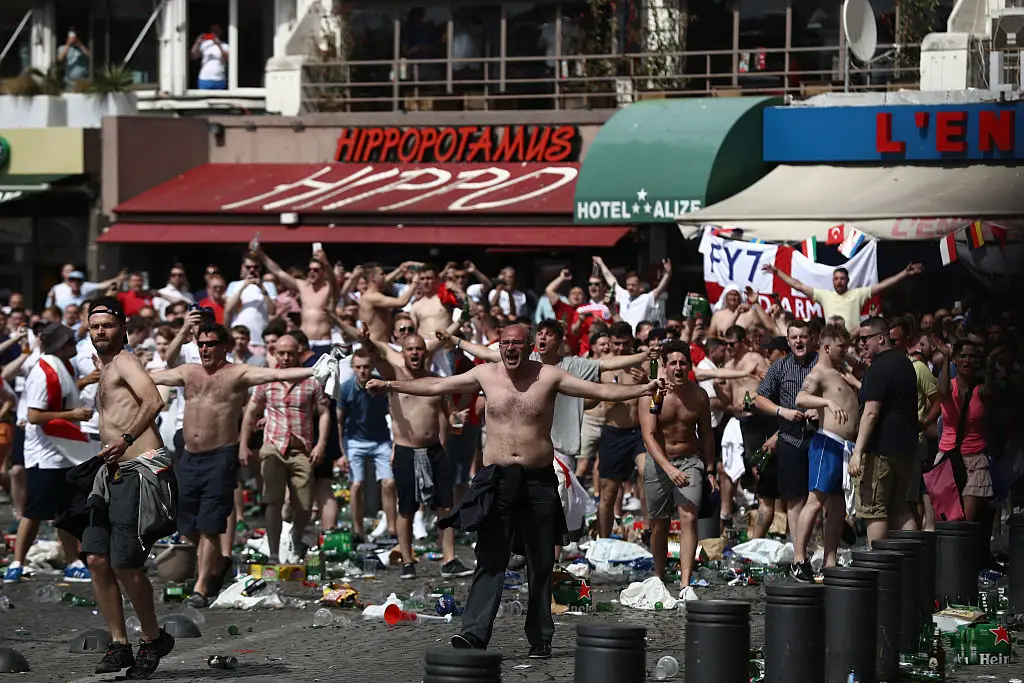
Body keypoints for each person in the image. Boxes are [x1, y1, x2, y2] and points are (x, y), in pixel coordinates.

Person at [364, 324, 662, 657]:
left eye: (517, 343)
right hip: (497, 479)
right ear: (499, 345)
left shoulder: (548, 376)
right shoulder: (485, 374)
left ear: (530, 346)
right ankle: (474, 633)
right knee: (490, 557)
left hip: (537, 479)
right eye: (504, 343)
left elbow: (599, 391)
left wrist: (642, 390)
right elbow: (436, 384)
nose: (510, 349)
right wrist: (390, 384)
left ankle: (540, 638)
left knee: (540, 560)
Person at [153, 324, 318, 606]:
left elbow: (276, 373)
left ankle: (202, 587)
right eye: (201, 344)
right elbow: (152, 376)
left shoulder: (237, 373)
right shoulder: (189, 371)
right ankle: (218, 562)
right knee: (184, 523)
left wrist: (315, 370)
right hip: (189, 457)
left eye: (211, 344)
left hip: (220, 456)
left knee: (209, 525)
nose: (204, 349)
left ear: (225, 347)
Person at [77, 299, 177, 677]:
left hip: (140, 469)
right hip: (112, 470)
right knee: (97, 559)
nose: (100, 331)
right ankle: (120, 644)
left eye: (107, 325)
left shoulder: (126, 361)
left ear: (123, 328)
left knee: (124, 561)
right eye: (94, 326)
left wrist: (127, 438)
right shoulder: (106, 367)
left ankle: (153, 638)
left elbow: (153, 399)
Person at [359, 331, 471, 580]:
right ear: (403, 352)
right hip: (406, 450)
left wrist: (455, 418)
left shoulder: (436, 381)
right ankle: (407, 561)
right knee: (407, 507)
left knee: (445, 506)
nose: (415, 353)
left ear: (426, 353)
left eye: (419, 349)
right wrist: (365, 340)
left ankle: (449, 559)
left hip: (434, 450)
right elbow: (376, 356)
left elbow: (447, 412)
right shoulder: (393, 376)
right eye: (410, 349)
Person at [4, 324, 91, 585]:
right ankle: (17, 562)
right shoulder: (44, 372)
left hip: (63, 452)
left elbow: (61, 397)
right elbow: (34, 415)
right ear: (61, 346)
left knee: (65, 512)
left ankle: (73, 561)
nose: (75, 346)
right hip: (45, 454)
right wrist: (73, 416)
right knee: (34, 512)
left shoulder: (60, 367)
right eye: (71, 342)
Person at [240, 334, 329, 562]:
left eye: (291, 353)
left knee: (305, 504)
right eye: (281, 353)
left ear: (299, 353)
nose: (286, 357)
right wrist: (243, 444)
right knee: (273, 501)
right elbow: (251, 411)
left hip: (301, 448)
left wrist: (321, 444)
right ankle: (272, 553)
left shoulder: (312, 380)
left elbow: (324, 412)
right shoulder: (267, 380)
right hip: (273, 446)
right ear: (275, 354)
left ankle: (296, 535)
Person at [640, 340, 716, 600]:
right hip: (660, 462)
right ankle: (659, 577)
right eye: (673, 363)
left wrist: (711, 469)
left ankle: (685, 584)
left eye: (683, 362)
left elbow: (706, 435)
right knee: (659, 524)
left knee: (689, 518)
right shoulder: (655, 394)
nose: (678, 367)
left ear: (690, 366)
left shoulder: (699, 396)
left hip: (689, 461)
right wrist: (668, 468)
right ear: (664, 366)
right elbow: (649, 435)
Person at [792, 323, 859, 580]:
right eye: (842, 347)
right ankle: (799, 558)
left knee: (838, 507)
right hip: (827, 444)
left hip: (845, 447)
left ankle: (830, 560)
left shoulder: (842, 371)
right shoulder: (819, 373)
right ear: (827, 347)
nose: (846, 351)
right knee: (815, 501)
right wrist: (826, 401)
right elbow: (801, 398)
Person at [848, 317, 921, 543]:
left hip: (881, 451)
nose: (861, 344)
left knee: (875, 511)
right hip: (906, 449)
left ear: (880, 338)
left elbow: (871, 412)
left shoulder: (879, 368)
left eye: (865, 339)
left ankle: (878, 571)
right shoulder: (905, 363)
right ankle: (912, 566)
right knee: (900, 509)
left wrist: (858, 452)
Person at [753, 320, 818, 544]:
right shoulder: (779, 367)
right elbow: (759, 399)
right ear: (788, 341)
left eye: (803, 337)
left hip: (821, 437)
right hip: (791, 439)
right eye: (794, 338)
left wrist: (820, 408)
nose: (799, 341)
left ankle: (822, 549)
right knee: (794, 499)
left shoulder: (822, 363)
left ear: (811, 339)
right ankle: (799, 552)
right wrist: (782, 412)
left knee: (823, 497)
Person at [336, 348, 397, 541]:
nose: (363, 371)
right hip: (355, 440)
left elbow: (394, 413)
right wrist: (342, 451)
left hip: (380, 439)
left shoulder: (381, 385)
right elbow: (339, 420)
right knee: (356, 484)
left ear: (372, 367)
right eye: (359, 367)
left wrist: (395, 443)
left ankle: (392, 529)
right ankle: (358, 530)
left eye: (366, 367)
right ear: (353, 368)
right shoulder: (346, 388)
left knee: (389, 482)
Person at [763, 262, 923, 334]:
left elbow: (882, 286)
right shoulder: (825, 295)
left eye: (842, 278)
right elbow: (798, 285)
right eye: (836, 279)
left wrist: (904, 273)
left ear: (848, 280)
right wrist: (777, 272)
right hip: (831, 343)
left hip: (854, 343)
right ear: (833, 281)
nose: (839, 281)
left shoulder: (857, 294)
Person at [255, 246, 339, 356]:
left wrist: (326, 263)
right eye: (310, 269)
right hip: (303, 342)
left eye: (316, 270)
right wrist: (261, 254)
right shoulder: (303, 286)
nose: (311, 272)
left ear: (323, 272)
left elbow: (334, 282)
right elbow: (278, 272)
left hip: (322, 342)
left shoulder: (328, 289)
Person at [358, 263, 419, 341]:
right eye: (382, 274)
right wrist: (414, 283)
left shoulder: (376, 295)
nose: (385, 276)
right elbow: (402, 302)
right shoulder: (371, 297)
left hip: (382, 344)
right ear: (373, 278)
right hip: (375, 345)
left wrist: (399, 270)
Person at [191, 24, 228, 90]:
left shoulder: (225, 45)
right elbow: (193, 56)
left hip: (219, 79)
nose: (214, 33)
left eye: (216, 30)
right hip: (204, 79)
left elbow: (227, 58)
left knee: (219, 100)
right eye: (212, 31)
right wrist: (197, 42)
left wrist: (219, 44)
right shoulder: (205, 44)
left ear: (221, 31)